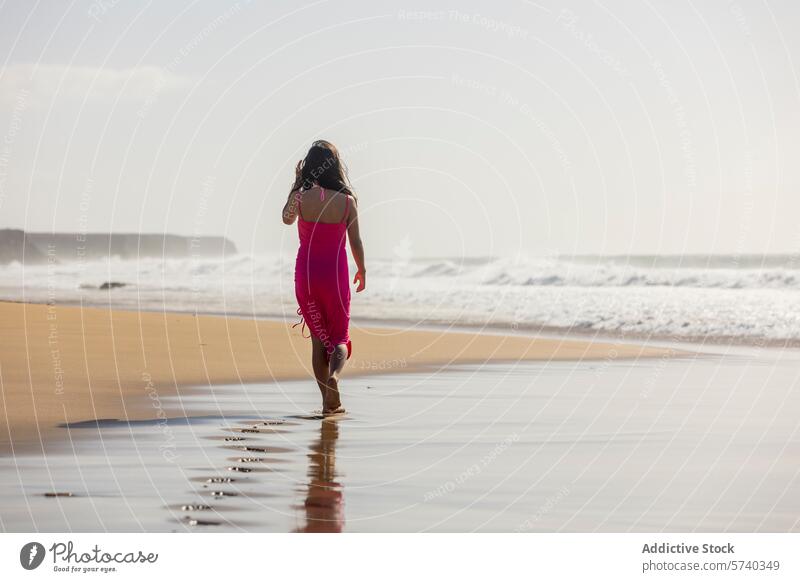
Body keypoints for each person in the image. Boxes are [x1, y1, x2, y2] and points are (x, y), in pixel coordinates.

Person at [282, 140, 366, 414]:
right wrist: (361, 270)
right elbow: (356, 242)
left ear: (309, 167)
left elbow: (286, 218)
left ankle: (326, 400)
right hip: (335, 274)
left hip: (306, 275)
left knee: (319, 338)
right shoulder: (347, 202)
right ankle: (335, 377)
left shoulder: (300, 198)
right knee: (340, 337)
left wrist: (297, 185)